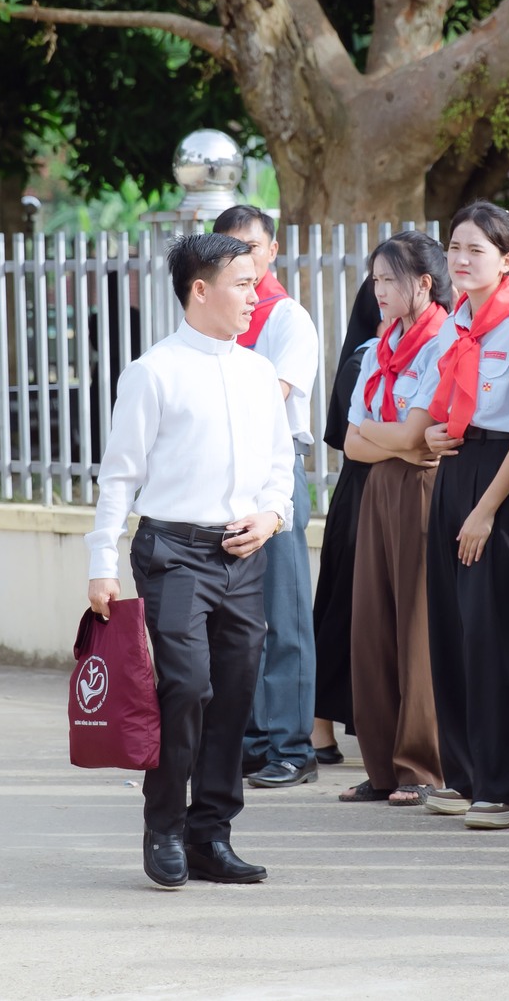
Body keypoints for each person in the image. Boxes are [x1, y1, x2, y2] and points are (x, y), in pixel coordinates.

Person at [86, 232, 295, 890]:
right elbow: (120, 474)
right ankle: (165, 827)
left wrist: (272, 515)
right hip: (174, 552)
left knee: (234, 694)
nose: (254, 294)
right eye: (241, 282)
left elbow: (280, 466)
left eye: (255, 281)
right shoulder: (155, 371)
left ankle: (212, 834)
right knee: (188, 687)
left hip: (244, 551)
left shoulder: (260, 372)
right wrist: (103, 561)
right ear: (199, 289)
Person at [417, 202, 509, 830]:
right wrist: (438, 440)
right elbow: (439, 407)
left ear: (507, 259)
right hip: (455, 470)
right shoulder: (454, 325)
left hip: (499, 479)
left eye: (475, 249)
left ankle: (503, 786)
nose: (460, 260)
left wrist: (486, 510)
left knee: (495, 634)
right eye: (453, 248)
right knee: (451, 627)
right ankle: (463, 773)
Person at [338, 233, 453, 806]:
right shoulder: (380, 346)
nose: (378, 291)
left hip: (421, 488)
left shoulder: (444, 338)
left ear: (423, 284)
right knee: (371, 623)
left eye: (389, 280)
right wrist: (401, 444)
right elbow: (350, 443)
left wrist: (398, 442)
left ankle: (420, 767)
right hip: (383, 483)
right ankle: (380, 765)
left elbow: (412, 434)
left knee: (415, 623)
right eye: (375, 280)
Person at [215, 205, 324, 790]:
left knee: (283, 616)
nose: (244, 260)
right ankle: (254, 740)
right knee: (241, 619)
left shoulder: (287, 318)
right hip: (226, 480)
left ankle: (292, 744)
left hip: (275, 474)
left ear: (273, 250)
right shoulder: (220, 316)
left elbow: (270, 398)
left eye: (252, 248)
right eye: (230, 249)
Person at [310, 281, 382, 765]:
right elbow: (348, 436)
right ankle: (319, 729)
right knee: (344, 610)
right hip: (364, 493)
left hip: (379, 489)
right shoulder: (367, 358)